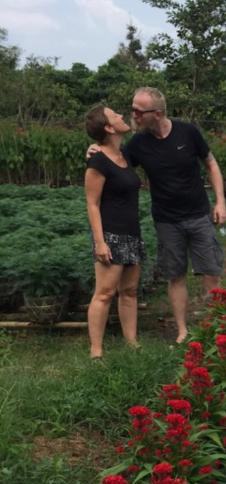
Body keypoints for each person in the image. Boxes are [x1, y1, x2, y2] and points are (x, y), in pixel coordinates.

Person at [87, 87, 226, 343]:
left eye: (139, 111)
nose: (134, 115)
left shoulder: (188, 132)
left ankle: (215, 325)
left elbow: (211, 163)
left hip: (199, 214)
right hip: (166, 220)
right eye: (132, 109)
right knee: (175, 275)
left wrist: (220, 201)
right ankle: (183, 330)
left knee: (211, 271)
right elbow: (114, 160)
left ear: (158, 113)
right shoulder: (138, 143)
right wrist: (94, 148)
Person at [84, 105, 145, 360]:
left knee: (129, 291)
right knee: (105, 293)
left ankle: (131, 342)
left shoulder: (125, 155)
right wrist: (100, 242)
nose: (121, 116)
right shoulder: (97, 161)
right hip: (111, 235)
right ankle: (96, 350)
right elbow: (92, 204)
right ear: (108, 128)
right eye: (115, 116)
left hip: (132, 233)